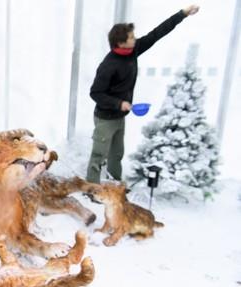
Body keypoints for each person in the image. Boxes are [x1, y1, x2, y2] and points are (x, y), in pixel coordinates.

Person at [86, 5, 200, 184]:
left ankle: (116, 186)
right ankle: (91, 187)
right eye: (131, 37)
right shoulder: (108, 65)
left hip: (120, 116)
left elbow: (157, 33)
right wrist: (118, 103)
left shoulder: (133, 50)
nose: (135, 39)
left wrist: (182, 14)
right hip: (105, 118)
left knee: (116, 154)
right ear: (120, 43)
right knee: (99, 155)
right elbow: (95, 93)